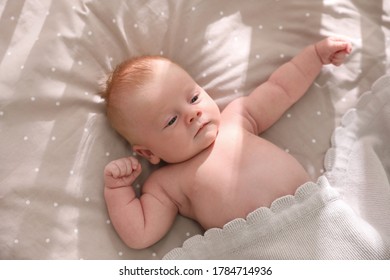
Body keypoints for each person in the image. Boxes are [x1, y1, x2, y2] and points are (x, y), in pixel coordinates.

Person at [101, 37, 352, 249]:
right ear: (148, 152)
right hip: (263, 248)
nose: (193, 114)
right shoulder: (165, 184)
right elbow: (140, 234)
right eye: (171, 120)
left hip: (317, 215)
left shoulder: (236, 119)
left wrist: (316, 56)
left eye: (194, 97)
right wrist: (117, 190)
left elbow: (281, 89)